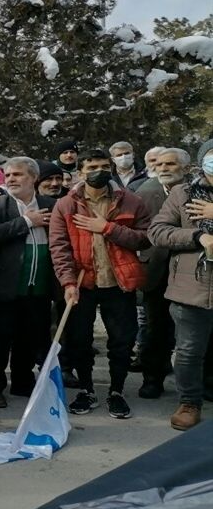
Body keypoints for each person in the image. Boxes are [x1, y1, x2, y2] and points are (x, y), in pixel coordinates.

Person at [48, 149, 151, 419]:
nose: (99, 171)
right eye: (92, 166)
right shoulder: (66, 204)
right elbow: (59, 247)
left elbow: (144, 238)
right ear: (80, 172)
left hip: (118, 283)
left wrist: (106, 227)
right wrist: (68, 282)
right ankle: (87, 389)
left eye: (105, 166)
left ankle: (116, 391)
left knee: (122, 341)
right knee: (80, 341)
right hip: (83, 283)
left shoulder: (130, 201)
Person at [0, 158, 56, 408]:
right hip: (3, 287)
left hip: (39, 286)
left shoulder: (51, 205)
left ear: (33, 178)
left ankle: (23, 381)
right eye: (7, 175)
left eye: (17, 174)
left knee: (30, 337)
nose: (10, 179)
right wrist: (27, 222)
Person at [148, 139, 213, 431]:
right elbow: (158, 231)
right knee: (188, 349)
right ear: (202, 161)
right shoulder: (182, 192)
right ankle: (189, 402)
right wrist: (197, 235)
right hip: (192, 286)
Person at [135, 148, 190, 399]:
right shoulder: (145, 193)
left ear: (186, 168)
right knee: (155, 327)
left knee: (193, 329)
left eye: (171, 164)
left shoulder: (198, 191)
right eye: (160, 164)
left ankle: (202, 382)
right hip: (155, 268)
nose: (164, 168)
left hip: (190, 271)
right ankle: (152, 378)